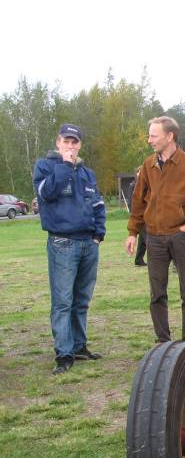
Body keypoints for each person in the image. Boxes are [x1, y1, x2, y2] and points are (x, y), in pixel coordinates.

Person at [125, 116, 185, 343]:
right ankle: (162, 341)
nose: (149, 140)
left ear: (169, 136)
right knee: (157, 294)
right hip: (154, 237)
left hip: (182, 237)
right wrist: (133, 232)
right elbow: (138, 201)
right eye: (150, 135)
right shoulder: (148, 165)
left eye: (154, 135)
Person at [33, 124, 106, 374]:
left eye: (75, 142)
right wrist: (64, 166)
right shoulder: (45, 167)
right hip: (62, 242)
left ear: (80, 145)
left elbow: (97, 204)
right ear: (58, 142)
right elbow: (48, 193)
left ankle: (78, 346)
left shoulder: (87, 173)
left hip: (88, 243)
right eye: (67, 141)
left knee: (81, 300)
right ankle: (63, 354)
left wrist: (99, 234)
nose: (71, 146)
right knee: (63, 301)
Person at [128, 170, 147, 266]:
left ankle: (139, 259)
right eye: (139, 172)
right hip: (140, 216)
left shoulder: (146, 184)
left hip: (146, 215)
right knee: (146, 237)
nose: (140, 174)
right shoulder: (133, 185)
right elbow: (133, 201)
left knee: (143, 239)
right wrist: (133, 214)